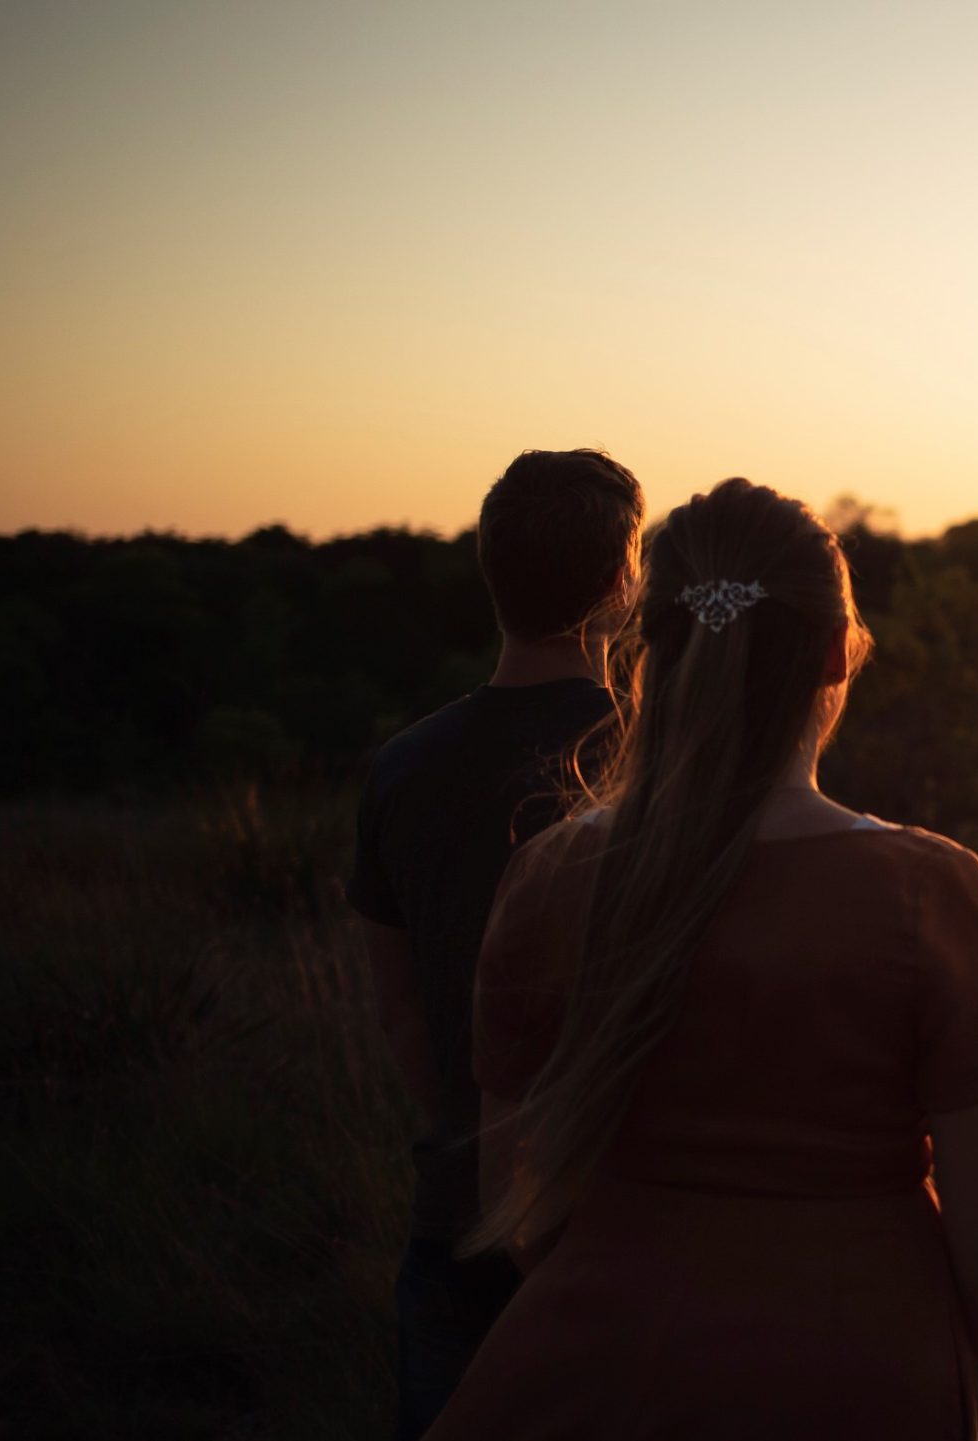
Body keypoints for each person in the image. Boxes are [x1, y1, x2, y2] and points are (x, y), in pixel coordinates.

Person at [427, 479, 978, 1440]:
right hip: (859, 1369)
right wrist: (915, 1349)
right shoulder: (929, 891)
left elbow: (514, 1196)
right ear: (837, 651)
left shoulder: (550, 875)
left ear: (650, 649)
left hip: (593, 1368)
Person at [347, 447, 643, 1439]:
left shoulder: (402, 767)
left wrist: (473, 1127)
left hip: (459, 1213)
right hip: (629, 1222)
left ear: (489, 570)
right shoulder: (666, 764)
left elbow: (399, 1008)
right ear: (624, 582)